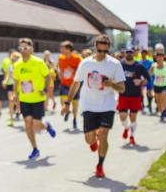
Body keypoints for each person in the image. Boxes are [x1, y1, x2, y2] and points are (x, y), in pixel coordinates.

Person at [62, 34, 125, 178]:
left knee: (103, 134)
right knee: (89, 140)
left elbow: (122, 89)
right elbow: (76, 83)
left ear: (108, 50)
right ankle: (93, 140)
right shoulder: (86, 63)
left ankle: (100, 165)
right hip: (89, 105)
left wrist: (111, 84)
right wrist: (67, 103)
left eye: (105, 51)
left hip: (107, 105)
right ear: (95, 48)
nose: (102, 54)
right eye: (100, 50)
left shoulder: (115, 64)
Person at [13, 37, 56, 160]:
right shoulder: (17, 64)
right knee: (27, 123)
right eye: (20, 48)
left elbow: (47, 75)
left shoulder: (38, 62)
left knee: (36, 124)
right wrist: (15, 95)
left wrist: (45, 89)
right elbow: (16, 81)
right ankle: (35, 149)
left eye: (25, 47)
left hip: (37, 98)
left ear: (31, 48)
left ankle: (46, 126)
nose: (22, 50)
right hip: (24, 99)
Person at [117, 49, 150, 145]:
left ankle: (132, 136)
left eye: (131, 53)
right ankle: (126, 127)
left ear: (134, 54)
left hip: (135, 95)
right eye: (127, 53)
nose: (129, 55)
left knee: (133, 117)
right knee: (122, 117)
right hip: (123, 94)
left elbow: (147, 78)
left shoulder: (139, 66)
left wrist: (141, 82)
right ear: (125, 54)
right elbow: (113, 76)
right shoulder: (120, 65)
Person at [57, 40, 82, 129]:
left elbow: (81, 71)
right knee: (62, 100)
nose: (61, 50)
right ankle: (67, 111)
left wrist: (73, 70)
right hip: (64, 83)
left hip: (74, 84)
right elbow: (60, 67)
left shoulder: (77, 58)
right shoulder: (61, 58)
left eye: (62, 48)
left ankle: (75, 119)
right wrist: (59, 73)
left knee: (75, 103)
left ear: (68, 49)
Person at [151, 45, 166, 121]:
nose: (159, 57)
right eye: (158, 56)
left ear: (163, 57)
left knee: (163, 99)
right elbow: (148, 74)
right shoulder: (153, 66)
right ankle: (162, 112)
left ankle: (164, 112)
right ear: (156, 57)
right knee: (158, 102)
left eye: (161, 56)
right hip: (156, 85)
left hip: (165, 85)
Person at [1, 50, 20, 126]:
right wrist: (5, 81)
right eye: (13, 58)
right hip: (11, 85)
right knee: (10, 101)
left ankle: (18, 111)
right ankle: (11, 120)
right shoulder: (10, 66)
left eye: (15, 58)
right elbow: (8, 75)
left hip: (19, 87)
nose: (13, 59)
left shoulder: (20, 66)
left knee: (18, 102)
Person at [140, 49, 155, 114]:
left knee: (149, 93)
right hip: (141, 79)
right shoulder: (138, 62)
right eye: (142, 53)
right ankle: (142, 106)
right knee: (141, 93)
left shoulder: (150, 62)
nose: (143, 55)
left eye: (144, 53)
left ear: (146, 54)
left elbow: (151, 70)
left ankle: (149, 106)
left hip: (149, 79)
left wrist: (146, 77)